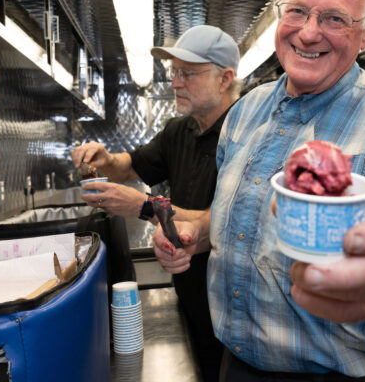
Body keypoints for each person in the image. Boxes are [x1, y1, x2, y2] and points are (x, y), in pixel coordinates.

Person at [153, 0, 365, 381]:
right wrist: (195, 234)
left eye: (334, 18)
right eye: (297, 11)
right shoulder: (245, 111)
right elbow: (234, 218)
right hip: (234, 368)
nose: (309, 33)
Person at [71, 24, 241, 382]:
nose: (175, 83)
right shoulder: (180, 130)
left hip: (232, 313)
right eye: (174, 72)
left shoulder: (245, 135)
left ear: (225, 79)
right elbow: (131, 166)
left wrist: (145, 207)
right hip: (191, 299)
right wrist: (106, 159)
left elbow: (224, 221)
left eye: (188, 73)